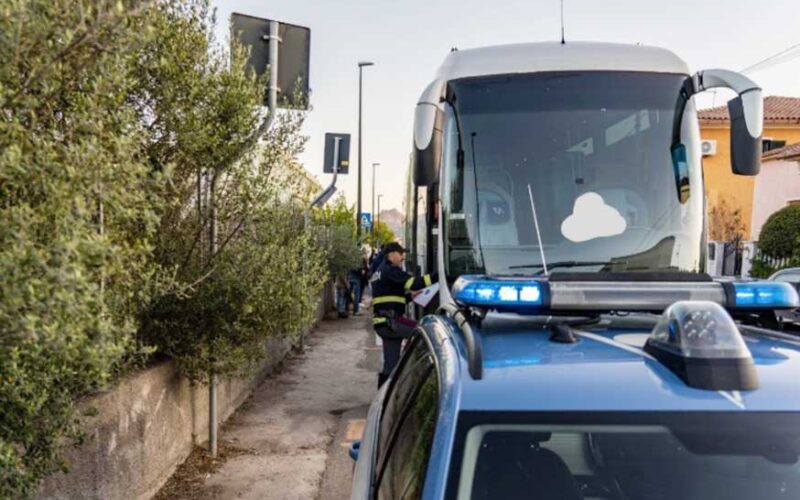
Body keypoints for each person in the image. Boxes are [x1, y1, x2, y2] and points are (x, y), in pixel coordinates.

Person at [370, 242, 438, 387]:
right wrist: (441, 273)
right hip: (392, 322)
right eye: (401, 254)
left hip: (384, 323)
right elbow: (415, 283)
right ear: (392, 254)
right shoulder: (391, 270)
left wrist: (410, 298)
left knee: (390, 365)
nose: (403, 257)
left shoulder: (380, 272)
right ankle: (423, 379)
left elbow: (388, 298)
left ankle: (383, 397)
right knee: (424, 333)